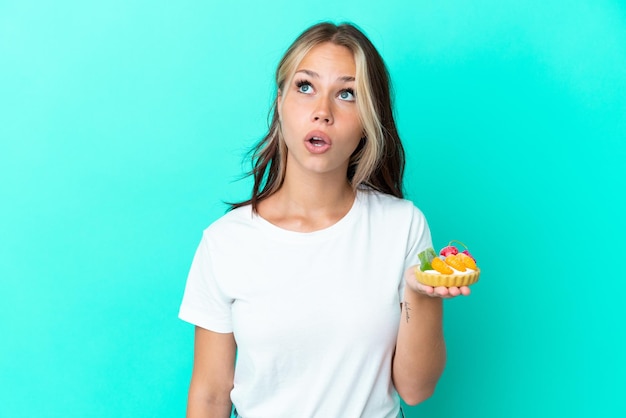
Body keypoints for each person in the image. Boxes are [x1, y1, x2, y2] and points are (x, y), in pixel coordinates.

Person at [179, 21, 471, 418]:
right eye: (305, 87)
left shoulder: (402, 226)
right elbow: (211, 395)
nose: (322, 112)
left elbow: (417, 389)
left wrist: (420, 293)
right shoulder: (225, 242)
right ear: (280, 101)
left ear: (369, 119)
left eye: (347, 94)